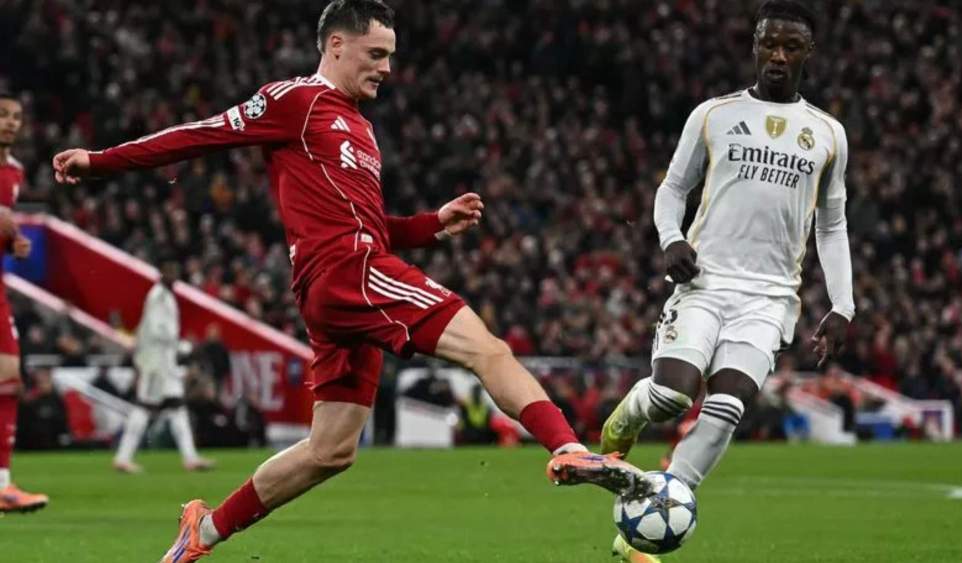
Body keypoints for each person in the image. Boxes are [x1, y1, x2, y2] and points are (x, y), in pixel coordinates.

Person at [52, 2, 646, 559]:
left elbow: (371, 225)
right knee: (484, 346)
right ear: (336, 45)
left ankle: (201, 532)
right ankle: (568, 447)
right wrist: (100, 161)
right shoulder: (296, 100)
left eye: (389, 56)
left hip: (341, 283)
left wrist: (430, 224)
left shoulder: (359, 129)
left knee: (330, 451)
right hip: (346, 274)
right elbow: (200, 133)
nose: (387, 69)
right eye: (376, 54)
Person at [601, 2, 855, 559]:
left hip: (769, 298)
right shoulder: (713, 115)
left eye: (791, 46)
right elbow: (671, 190)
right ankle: (624, 421)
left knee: (731, 402)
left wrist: (843, 306)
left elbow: (831, 226)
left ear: (808, 52)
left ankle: (640, 535)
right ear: (755, 45)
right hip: (706, 283)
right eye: (769, 43)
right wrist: (671, 238)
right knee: (671, 393)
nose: (778, 56)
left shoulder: (828, 135)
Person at [112, 254, 215, 474]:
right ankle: (123, 457)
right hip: (156, 363)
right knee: (144, 406)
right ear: (163, 274)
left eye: (175, 272)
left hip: (165, 363)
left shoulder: (164, 295)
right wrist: (181, 346)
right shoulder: (158, 296)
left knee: (178, 407)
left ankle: (190, 457)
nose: (174, 277)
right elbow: (159, 331)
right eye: (170, 272)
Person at [0, 91, 48, 514]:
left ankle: (2, 484)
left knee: (10, 376)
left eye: (16, 116)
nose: (10, 122)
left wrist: (12, 241)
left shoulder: (14, 171)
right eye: (2, 115)